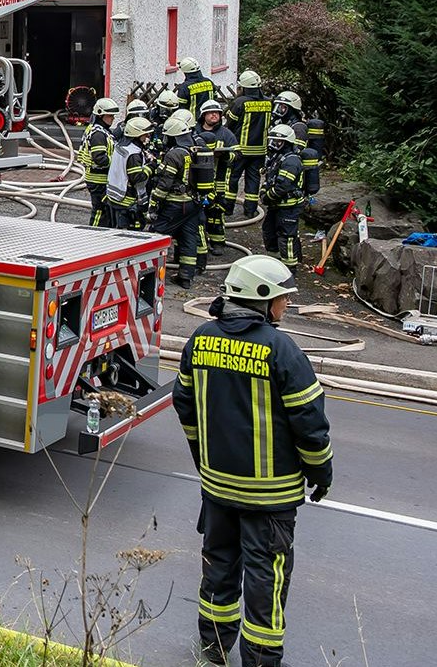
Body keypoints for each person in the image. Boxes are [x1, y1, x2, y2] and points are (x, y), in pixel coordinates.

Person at [173, 254, 332, 667]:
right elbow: (310, 422)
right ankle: (260, 661)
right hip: (269, 498)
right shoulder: (281, 349)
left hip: (217, 490)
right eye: (282, 298)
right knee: (266, 582)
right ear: (262, 299)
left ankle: (213, 650)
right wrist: (321, 471)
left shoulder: (201, 339)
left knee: (219, 569)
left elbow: (184, 405)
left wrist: (202, 457)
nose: (285, 306)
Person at [148, 110, 205, 286]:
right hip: (193, 203)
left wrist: (154, 204)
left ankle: (150, 274)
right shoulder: (196, 149)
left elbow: (165, 183)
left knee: (156, 236)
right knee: (188, 239)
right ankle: (186, 277)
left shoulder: (174, 154)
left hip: (175, 204)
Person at [226, 71, 273, 217]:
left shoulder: (240, 103)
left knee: (232, 178)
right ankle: (250, 210)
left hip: (240, 150)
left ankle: (228, 209)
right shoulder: (268, 102)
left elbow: (229, 125)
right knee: (253, 180)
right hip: (260, 151)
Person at [262, 125, 308, 266]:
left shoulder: (291, 161)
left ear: (287, 142)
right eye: (272, 141)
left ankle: (289, 268)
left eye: (277, 142)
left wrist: (267, 197)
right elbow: (270, 177)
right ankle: (274, 263)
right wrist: (264, 190)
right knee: (269, 232)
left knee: (286, 237)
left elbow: (283, 186)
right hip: (276, 205)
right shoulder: (278, 157)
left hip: (288, 207)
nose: (273, 145)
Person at [197, 100, 237, 254]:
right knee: (198, 212)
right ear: (203, 115)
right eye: (210, 112)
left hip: (218, 181)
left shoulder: (226, 134)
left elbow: (237, 155)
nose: (214, 115)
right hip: (198, 180)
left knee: (216, 212)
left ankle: (218, 242)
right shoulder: (195, 131)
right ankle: (200, 242)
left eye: (217, 113)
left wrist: (225, 155)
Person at [105, 115, 154, 230]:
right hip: (126, 201)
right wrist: (151, 167)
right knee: (129, 235)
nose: (147, 137)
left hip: (113, 196)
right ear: (137, 135)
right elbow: (137, 178)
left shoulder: (121, 146)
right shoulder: (133, 154)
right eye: (145, 134)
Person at [82, 98, 120, 228]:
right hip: (98, 180)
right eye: (109, 116)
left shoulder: (99, 130)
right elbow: (100, 159)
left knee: (105, 212)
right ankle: (93, 235)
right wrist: (117, 162)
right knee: (100, 212)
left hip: (99, 179)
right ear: (100, 114)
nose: (112, 119)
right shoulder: (98, 134)